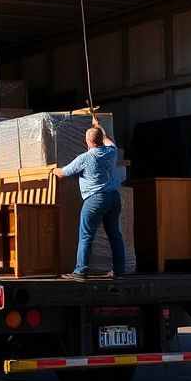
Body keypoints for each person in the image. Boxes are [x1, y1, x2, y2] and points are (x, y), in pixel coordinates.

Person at [53, 116, 125, 280]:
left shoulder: (85, 158)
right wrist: (98, 126)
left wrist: (53, 171)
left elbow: (64, 173)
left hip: (95, 199)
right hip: (114, 198)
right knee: (115, 234)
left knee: (86, 235)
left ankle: (80, 271)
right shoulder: (111, 152)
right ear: (100, 139)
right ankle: (119, 270)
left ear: (87, 141)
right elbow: (110, 141)